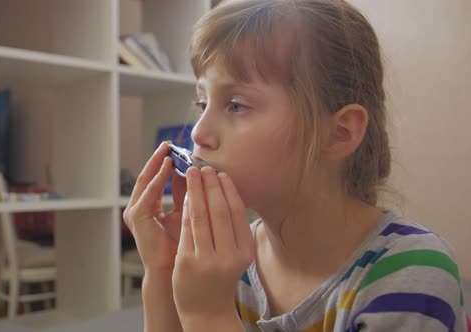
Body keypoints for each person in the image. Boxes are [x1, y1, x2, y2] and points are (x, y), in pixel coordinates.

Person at [122, 0, 469, 331]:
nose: (199, 132)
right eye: (202, 104)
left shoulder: (410, 272)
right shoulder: (231, 262)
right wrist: (162, 269)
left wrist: (208, 314)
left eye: (236, 105)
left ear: (338, 134)